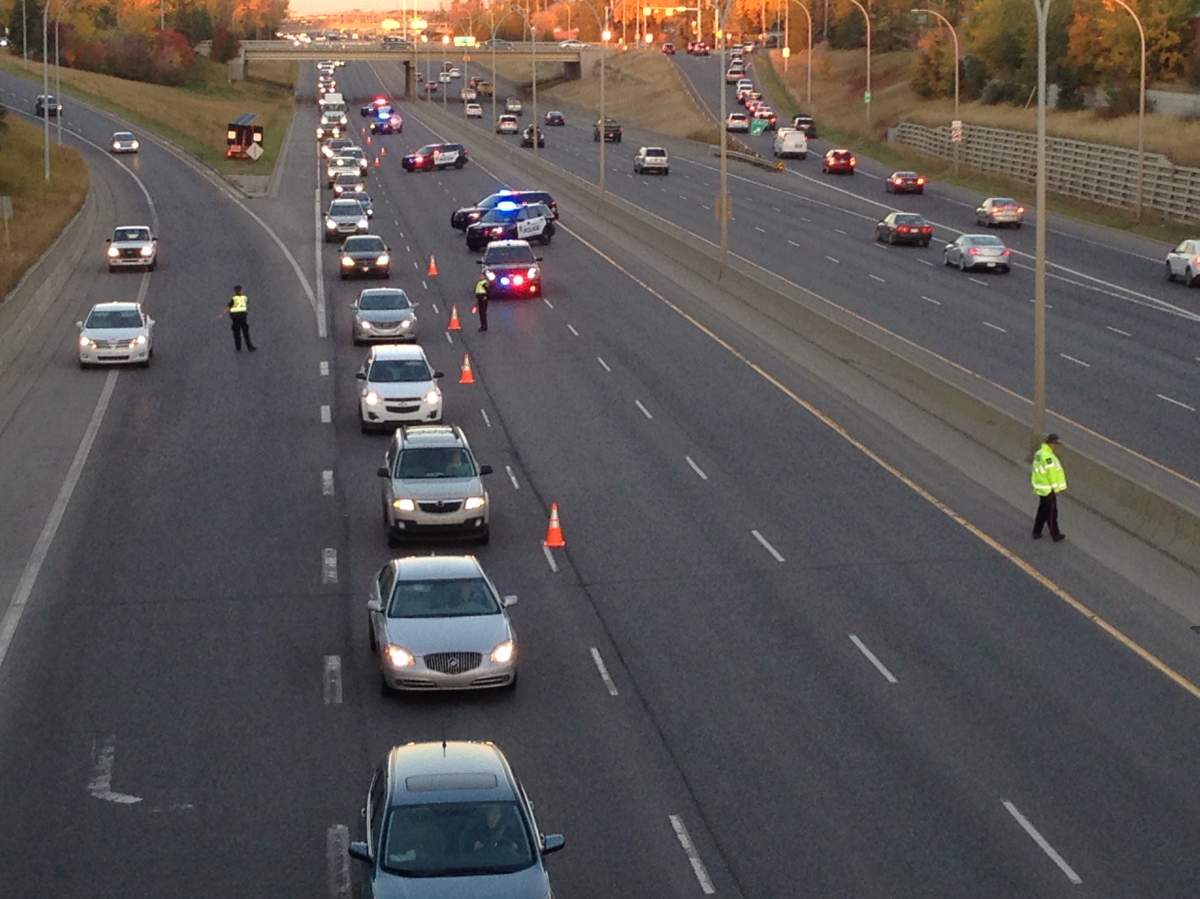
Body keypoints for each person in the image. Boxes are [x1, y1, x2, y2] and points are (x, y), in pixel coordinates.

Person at [1031, 433, 1067, 542]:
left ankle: (1036, 532)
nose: (1056, 446)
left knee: (1042, 510)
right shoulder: (1048, 457)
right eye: (1055, 444)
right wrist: (1056, 488)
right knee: (1052, 512)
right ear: (1050, 444)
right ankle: (1055, 534)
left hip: (1041, 486)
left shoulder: (1039, 453)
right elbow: (1051, 473)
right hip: (1048, 488)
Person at [227, 284, 256, 352]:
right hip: (242, 318)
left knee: (237, 333)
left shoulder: (234, 299)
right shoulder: (243, 298)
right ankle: (249, 347)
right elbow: (247, 302)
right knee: (245, 333)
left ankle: (238, 347)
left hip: (236, 319)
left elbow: (229, 307)